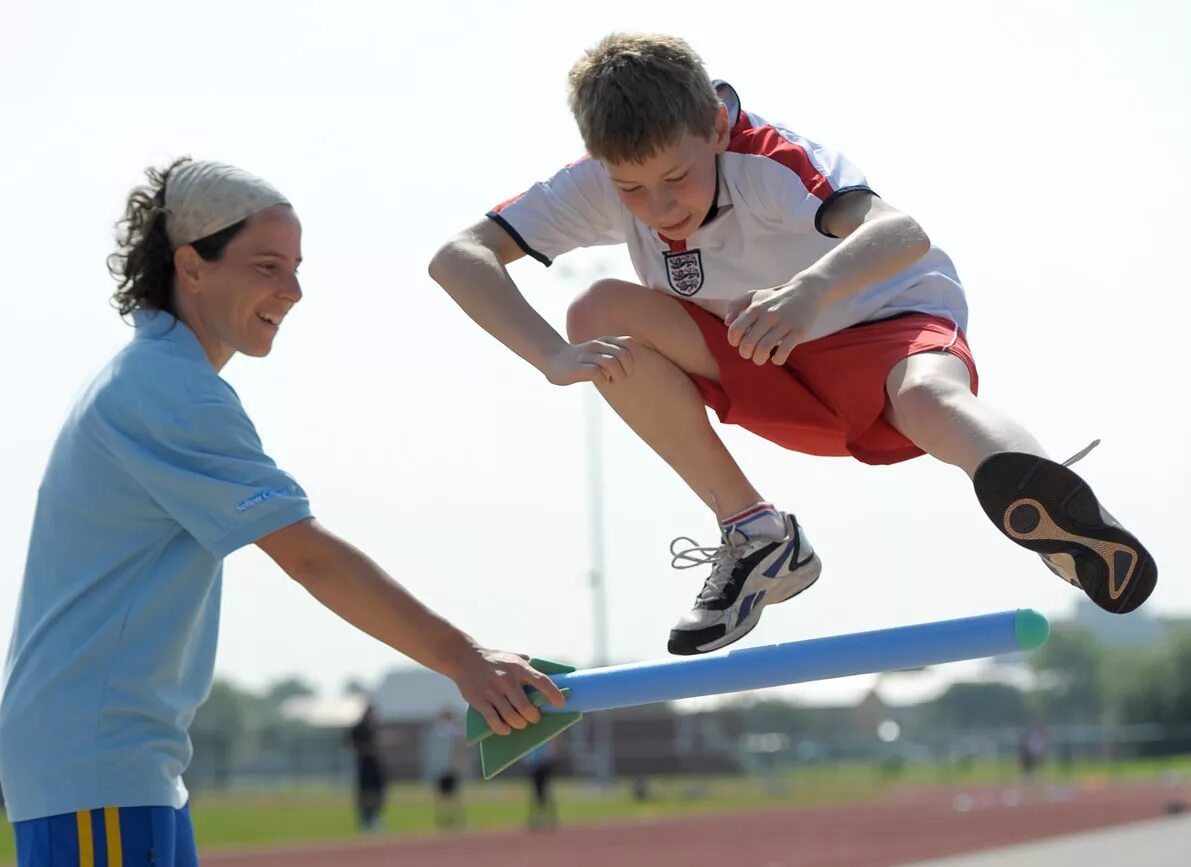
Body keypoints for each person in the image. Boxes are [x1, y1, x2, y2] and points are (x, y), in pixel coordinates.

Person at [428, 32, 1157, 657]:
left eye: (676, 178)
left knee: (927, 398)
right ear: (600, 162)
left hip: (880, 322)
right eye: (632, 189)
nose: (661, 207)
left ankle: (1046, 502)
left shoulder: (769, 160)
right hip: (763, 356)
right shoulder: (594, 181)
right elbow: (459, 254)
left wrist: (809, 290)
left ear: (715, 127)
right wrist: (548, 355)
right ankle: (757, 535)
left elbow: (900, 230)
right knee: (594, 309)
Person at [0, 158, 565, 867]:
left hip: (119, 758)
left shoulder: (152, 374)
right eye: (267, 265)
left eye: (296, 267)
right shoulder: (166, 388)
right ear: (191, 266)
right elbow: (308, 556)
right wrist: (465, 658)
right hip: (94, 760)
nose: (292, 290)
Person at [424, 706, 467, 830]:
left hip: (450, 768)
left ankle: (455, 820)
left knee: (453, 796)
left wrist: (458, 765)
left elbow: (459, 749)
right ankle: (445, 820)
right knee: (442, 797)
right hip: (441, 768)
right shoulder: (439, 730)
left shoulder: (452, 731)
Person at [346, 704, 386, 832]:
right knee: (365, 792)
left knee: (377, 791)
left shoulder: (374, 728)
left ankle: (375, 817)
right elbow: (349, 742)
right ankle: (365, 820)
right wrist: (363, 750)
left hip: (375, 764)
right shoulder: (358, 728)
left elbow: (379, 742)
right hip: (364, 764)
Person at [524, 741, 558, 831]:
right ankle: (535, 820)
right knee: (535, 793)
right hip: (534, 764)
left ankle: (550, 819)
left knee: (546, 792)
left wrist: (551, 755)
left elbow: (553, 744)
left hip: (544, 763)